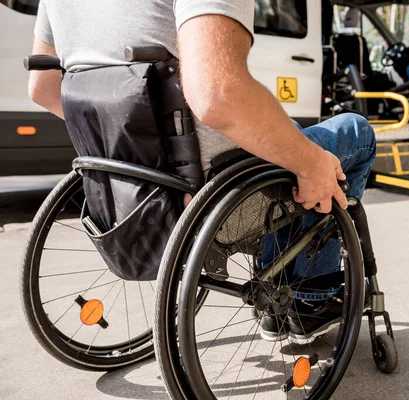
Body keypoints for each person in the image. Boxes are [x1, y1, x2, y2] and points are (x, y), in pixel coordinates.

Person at [28, 0, 376, 344]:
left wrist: (141, 149)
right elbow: (218, 95)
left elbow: (43, 88)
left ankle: (285, 276)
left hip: (131, 187)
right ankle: (309, 296)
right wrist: (311, 164)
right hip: (210, 184)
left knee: (291, 135)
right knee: (355, 133)